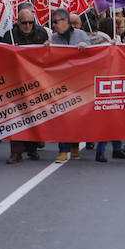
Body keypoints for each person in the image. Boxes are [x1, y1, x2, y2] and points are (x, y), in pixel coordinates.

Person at [2, 8, 49, 163]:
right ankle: (16, 152)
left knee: (34, 115)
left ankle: (32, 148)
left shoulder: (41, 33)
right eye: (24, 23)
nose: (28, 26)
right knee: (16, 116)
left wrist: (49, 46)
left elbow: (47, 57)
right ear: (17, 22)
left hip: (35, 81)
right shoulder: (9, 35)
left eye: (30, 22)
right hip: (15, 81)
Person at [49, 8, 91, 163]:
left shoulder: (81, 35)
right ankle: (63, 150)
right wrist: (45, 49)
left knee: (75, 117)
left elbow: (93, 56)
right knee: (63, 117)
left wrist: (85, 47)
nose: (54, 25)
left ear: (65, 22)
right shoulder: (53, 38)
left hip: (79, 83)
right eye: (53, 22)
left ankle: (74, 145)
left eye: (56, 21)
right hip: (62, 84)